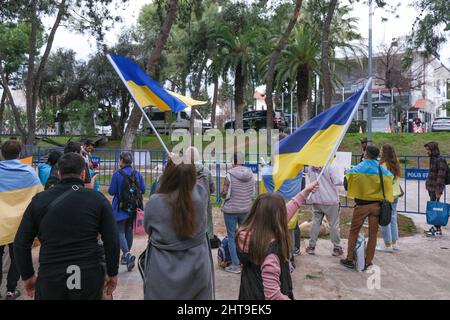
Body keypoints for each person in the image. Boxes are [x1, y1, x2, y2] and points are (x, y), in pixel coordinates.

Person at [14, 152, 119, 300]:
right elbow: (112, 240)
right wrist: (112, 272)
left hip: (51, 274)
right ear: (83, 174)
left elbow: (20, 243)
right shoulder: (97, 200)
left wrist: (28, 276)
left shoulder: (39, 200)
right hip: (88, 274)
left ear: (59, 173)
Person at [143, 159, 214, 300]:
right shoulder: (201, 197)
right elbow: (201, 183)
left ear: (167, 175)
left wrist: (174, 167)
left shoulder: (154, 203)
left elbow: (148, 229)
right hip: (197, 269)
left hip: (162, 271)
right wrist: (183, 166)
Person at [236, 181, 319, 300]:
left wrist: (306, 191)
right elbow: (273, 295)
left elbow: (291, 206)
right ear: (276, 218)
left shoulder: (245, 235)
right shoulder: (270, 253)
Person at [0, 140, 42, 300]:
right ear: (19, 154)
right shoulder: (29, 172)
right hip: (19, 225)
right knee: (16, 256)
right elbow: (39, 196)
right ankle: (11, 290)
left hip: (0, 223)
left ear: (2, 153)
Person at [340, 145, 394, 271]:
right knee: (373, 234)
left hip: (362, 206)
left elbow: (347, 182)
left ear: (366, 154)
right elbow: (390, 180)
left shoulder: (359, 167)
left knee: (354, 231)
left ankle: (349, 259)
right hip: (376, 206)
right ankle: (368, 261)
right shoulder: (381, 169)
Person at [108, 151, 145, 271]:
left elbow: (112, 191)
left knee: (120, 232)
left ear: (122, 161)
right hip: (133, 208)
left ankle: (127, 255)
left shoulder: (117, 174)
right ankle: (125, 255)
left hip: (120, 208)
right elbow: (143, 190)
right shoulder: (137, 174)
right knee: (129, 230)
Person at [221, 152, 255, 274]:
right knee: (245, 235)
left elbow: (224, 193)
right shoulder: (251, 175)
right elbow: (253, 193)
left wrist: (223, 193)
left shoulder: (229, 175)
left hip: (230, 210)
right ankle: (246, 261)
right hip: (246, 209)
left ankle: (235, 265)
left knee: (231, 236)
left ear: (233, 161)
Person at [305, 160, 344, 256]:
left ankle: (311, 246)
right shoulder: (332, 163)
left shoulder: (312, 163)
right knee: (333, 224)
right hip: (330, 200)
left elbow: (310, 178)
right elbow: (338, 181)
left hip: (317, 198)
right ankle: (336, 247)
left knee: (315, 223)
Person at [183, 147, 217, 247]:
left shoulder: (184, 171)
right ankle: (208, 239)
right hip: (204, 201)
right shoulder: (206, 171)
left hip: (188, 201)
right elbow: (212, 188)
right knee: (207, 221)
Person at [377, 144, 402, 252]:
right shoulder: (396, 163)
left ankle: (387, 245)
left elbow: (380, 181)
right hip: (396, 194)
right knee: (392, 219)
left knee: (384, 220)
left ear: (385, 152)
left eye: (382, 150)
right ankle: (394, 243)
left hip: (387, 195)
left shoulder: (383, 165)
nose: (380, 152)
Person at [424, 142, 447, 236]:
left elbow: (441, 177)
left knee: (436, 209)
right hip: (431, 187)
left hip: (436, 188)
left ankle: (438, 229)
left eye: (428, 150)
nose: (427, 152)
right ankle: (436, 228)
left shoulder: (440, 160)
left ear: (433, 150)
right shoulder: (433, 159)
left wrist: (438, 191)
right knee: (434, 208)